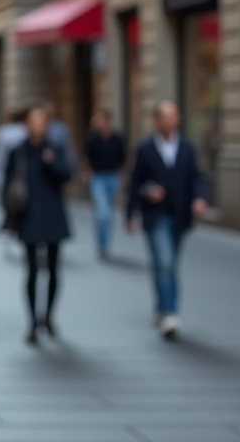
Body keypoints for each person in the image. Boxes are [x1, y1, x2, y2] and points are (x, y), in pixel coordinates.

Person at [126, 100, 208, 341]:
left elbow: (197, 177)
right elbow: (135, 183)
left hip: (180, 214)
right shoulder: (145, 148)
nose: (169, 121)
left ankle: (162, 306)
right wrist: (132, 211)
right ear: (156, 120)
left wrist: (200, 198)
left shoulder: (187, 147)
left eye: (173, 116)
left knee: (169, 264)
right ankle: (170, 313)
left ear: (178, 119)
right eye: (164, 116)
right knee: (164, 261)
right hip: (155, 214)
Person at [2, 105, 72, 345]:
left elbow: (67, 175)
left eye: (42, 121)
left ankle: (49, 316)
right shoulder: (18, 151)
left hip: (53, 216)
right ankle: (32, 321)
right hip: (28, 216)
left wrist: (52, 163)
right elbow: (8, 183)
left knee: (53, 270)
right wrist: (8, 215)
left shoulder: (55, 148)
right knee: (31, 270)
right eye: (34, 120)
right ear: (26, 124)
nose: (38, 125)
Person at [83, 108, 127, 260]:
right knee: (103, 213)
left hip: (112, 177)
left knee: (108, 214)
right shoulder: (92, 138)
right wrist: (87, 173)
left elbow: (122, 157)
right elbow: (86, 157)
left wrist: (121, 175)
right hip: (98, 178)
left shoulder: (116, 138)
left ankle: (105, 244)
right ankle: (101, 245)